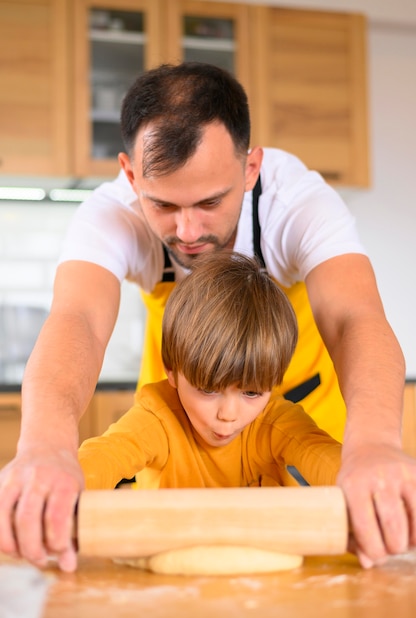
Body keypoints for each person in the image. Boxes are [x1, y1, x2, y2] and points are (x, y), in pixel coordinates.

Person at [0, 62, 414, 573]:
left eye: (210, 202)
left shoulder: (299, 203)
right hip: (178, 427)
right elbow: (79, 318)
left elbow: (356, 316)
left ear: (250, 169)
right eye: (164, 205)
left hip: (297, 416)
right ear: (131, 176)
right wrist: (46, 447)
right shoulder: (109, 215)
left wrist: (372, 447)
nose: (189, 230)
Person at [78, 251, 341, 490]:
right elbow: (109, 454)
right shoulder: (158, 417)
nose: (229, 415)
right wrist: (69, 481)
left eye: (251, 393)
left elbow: (320, 453)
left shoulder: (274, 421)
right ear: (172, 370)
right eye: (207, 390)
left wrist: (360, 478)